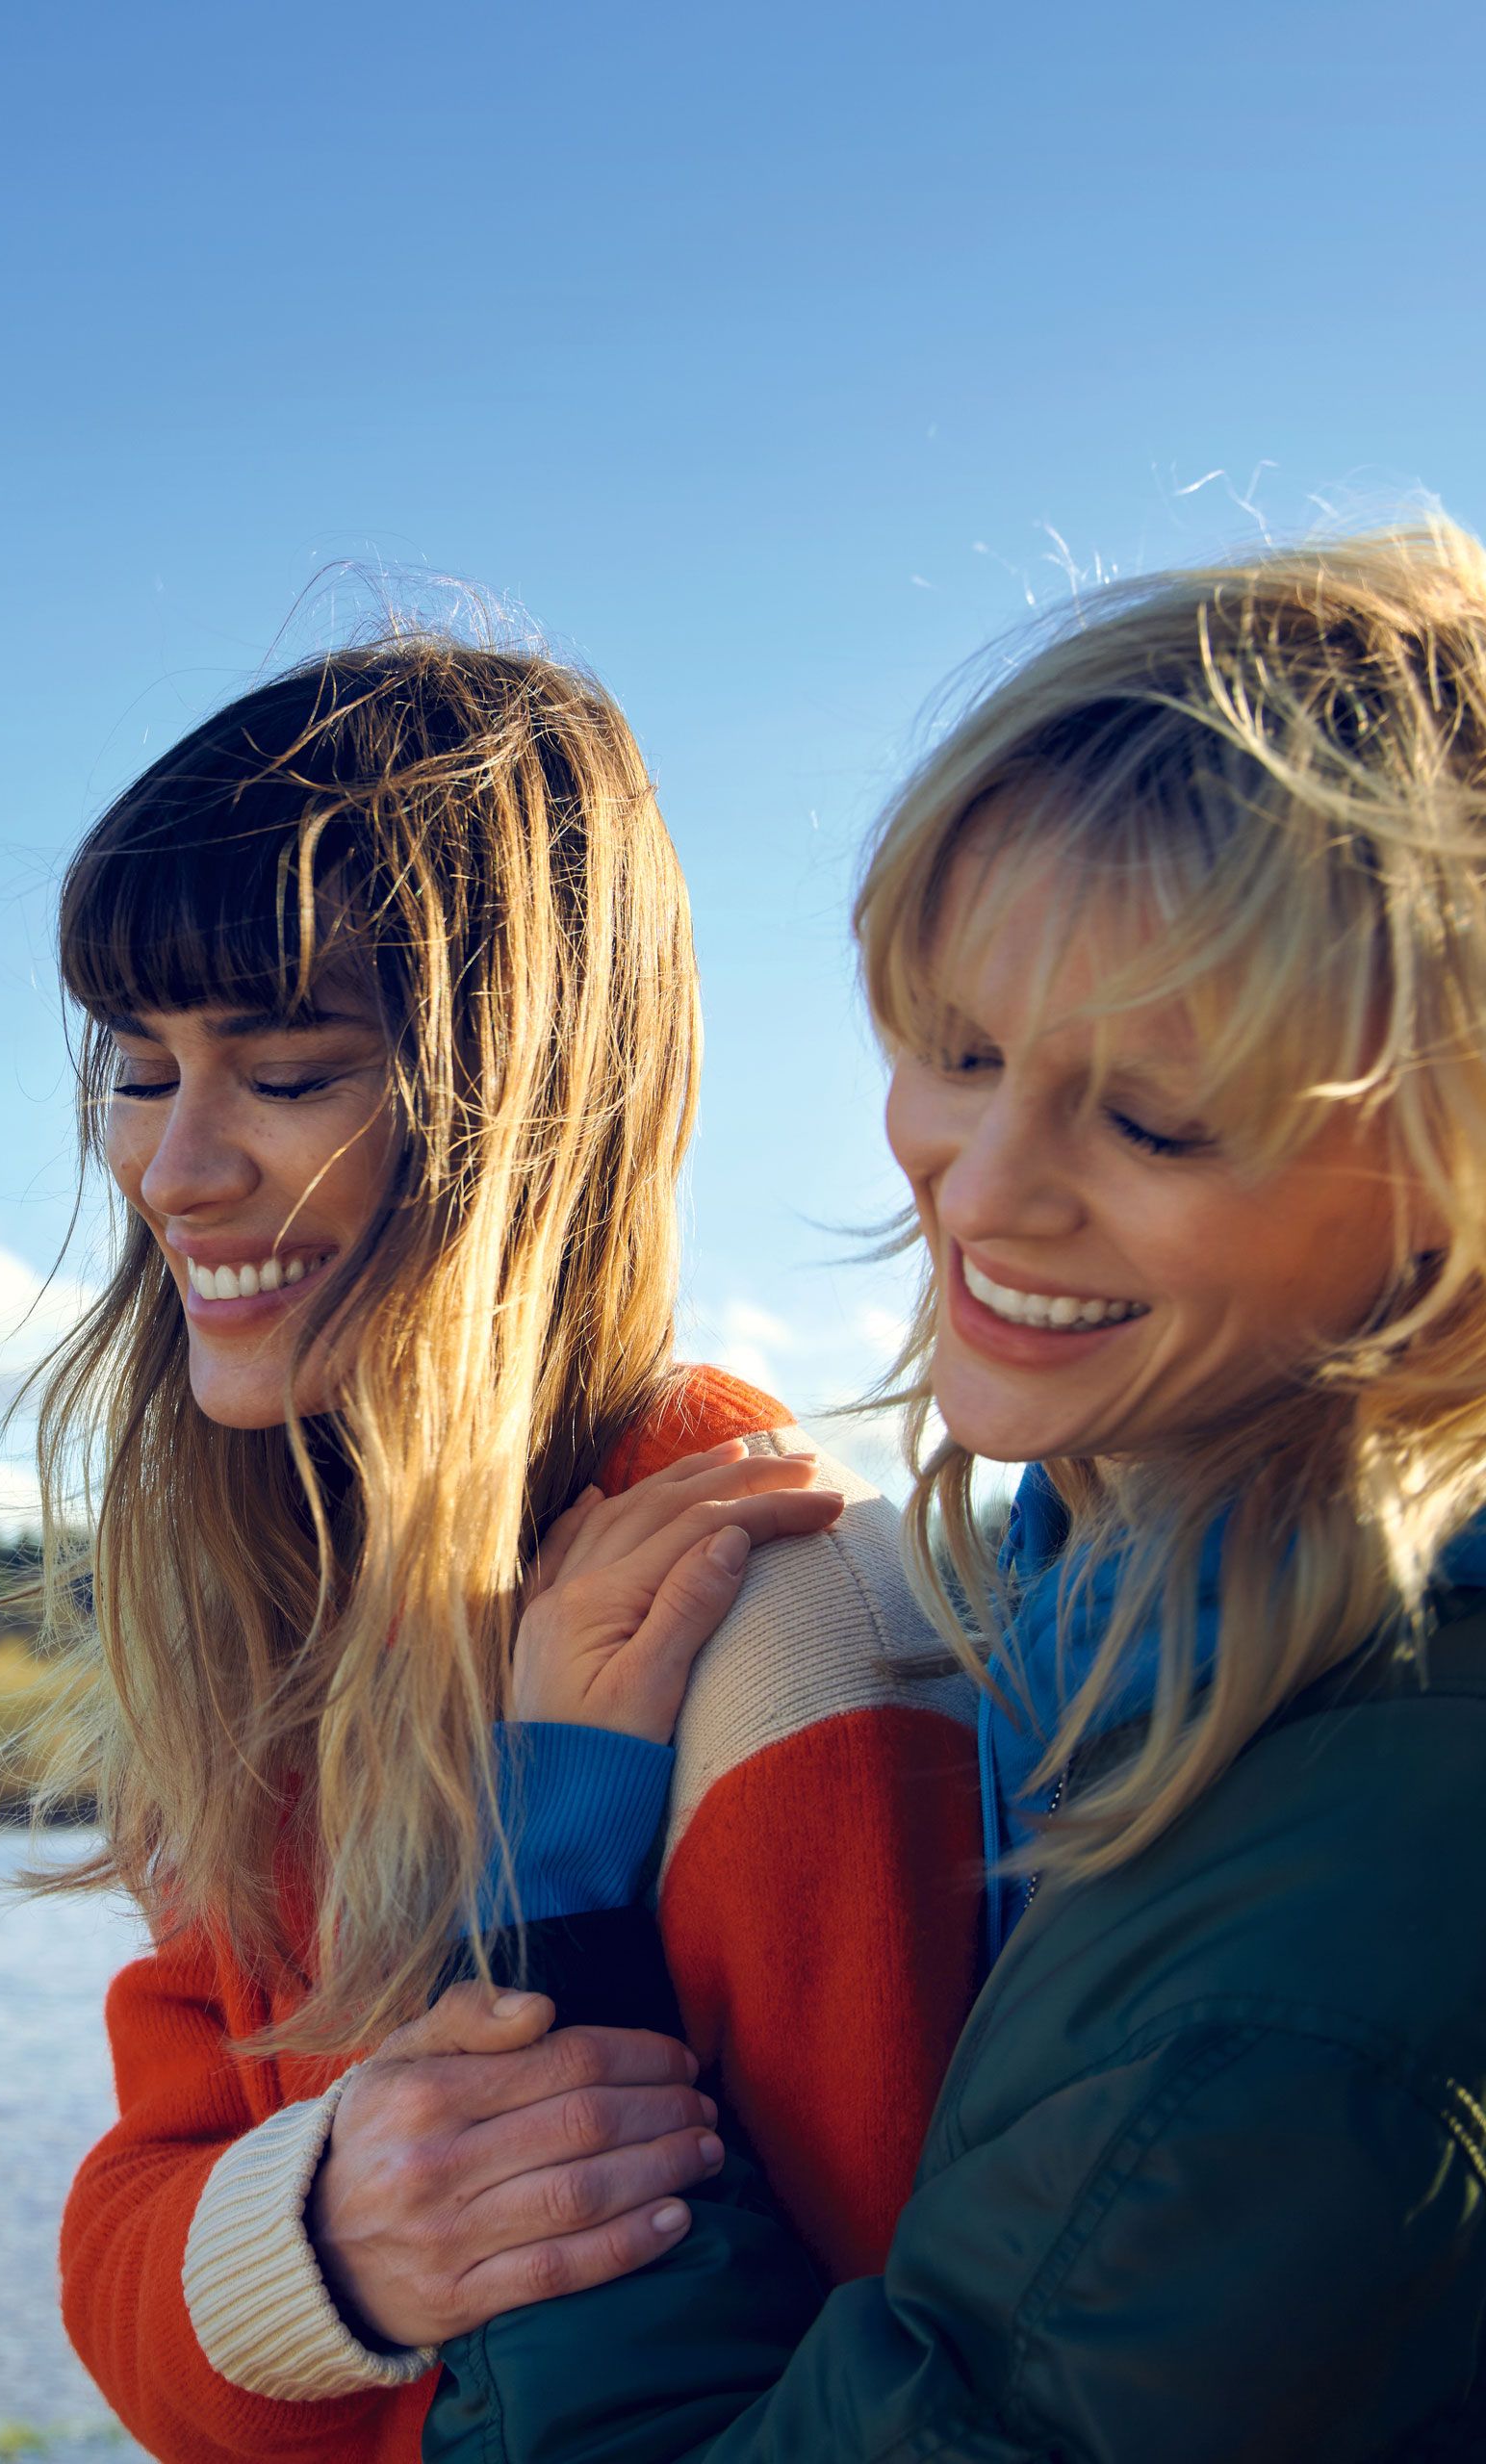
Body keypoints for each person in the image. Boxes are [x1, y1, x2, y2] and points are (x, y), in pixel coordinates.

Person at [423, 524, 1486, 2462]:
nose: (984, 1186)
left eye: (1155, 1113)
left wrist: (556, 1903)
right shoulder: (1109, 1621)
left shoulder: (1305, 1979)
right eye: (962, 1048)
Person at [26, 634, 984, 2464]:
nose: (172, 1169)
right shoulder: (278, 1592)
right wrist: (324, 2243)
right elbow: (123, 2230)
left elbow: (851, 2403)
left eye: (290, 1071)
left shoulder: (776, 1632)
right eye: (140, 1072)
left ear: (532, 1127)